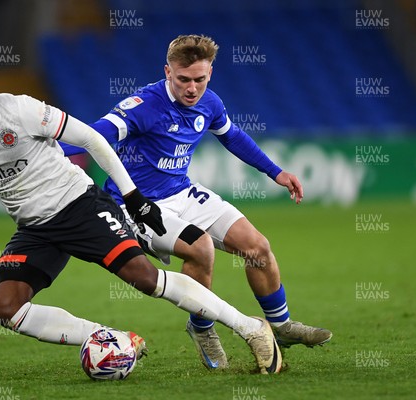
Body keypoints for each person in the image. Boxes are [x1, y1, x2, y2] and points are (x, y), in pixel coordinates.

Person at [0, 61, 282, 374]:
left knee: (145, 279)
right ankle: (112, 339)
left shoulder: (20, 110)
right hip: (35, 228)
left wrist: (133, 196)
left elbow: (91, 137)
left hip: (80, 206)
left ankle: (250, 327)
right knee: (5, 309)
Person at [61, 35, 332, 370]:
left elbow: (232, 136)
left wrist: (274, 171)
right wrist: (48, 151)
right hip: (139, 206)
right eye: (183, 79)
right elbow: (94, 135)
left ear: (210, 74)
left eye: (199, 80)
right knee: (200, 248)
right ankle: (203, 329)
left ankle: (280, 327)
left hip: (183, 191)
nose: (192, 88)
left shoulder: (211, 103)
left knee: (257, 247)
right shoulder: (144, 106)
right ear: (167, 72)